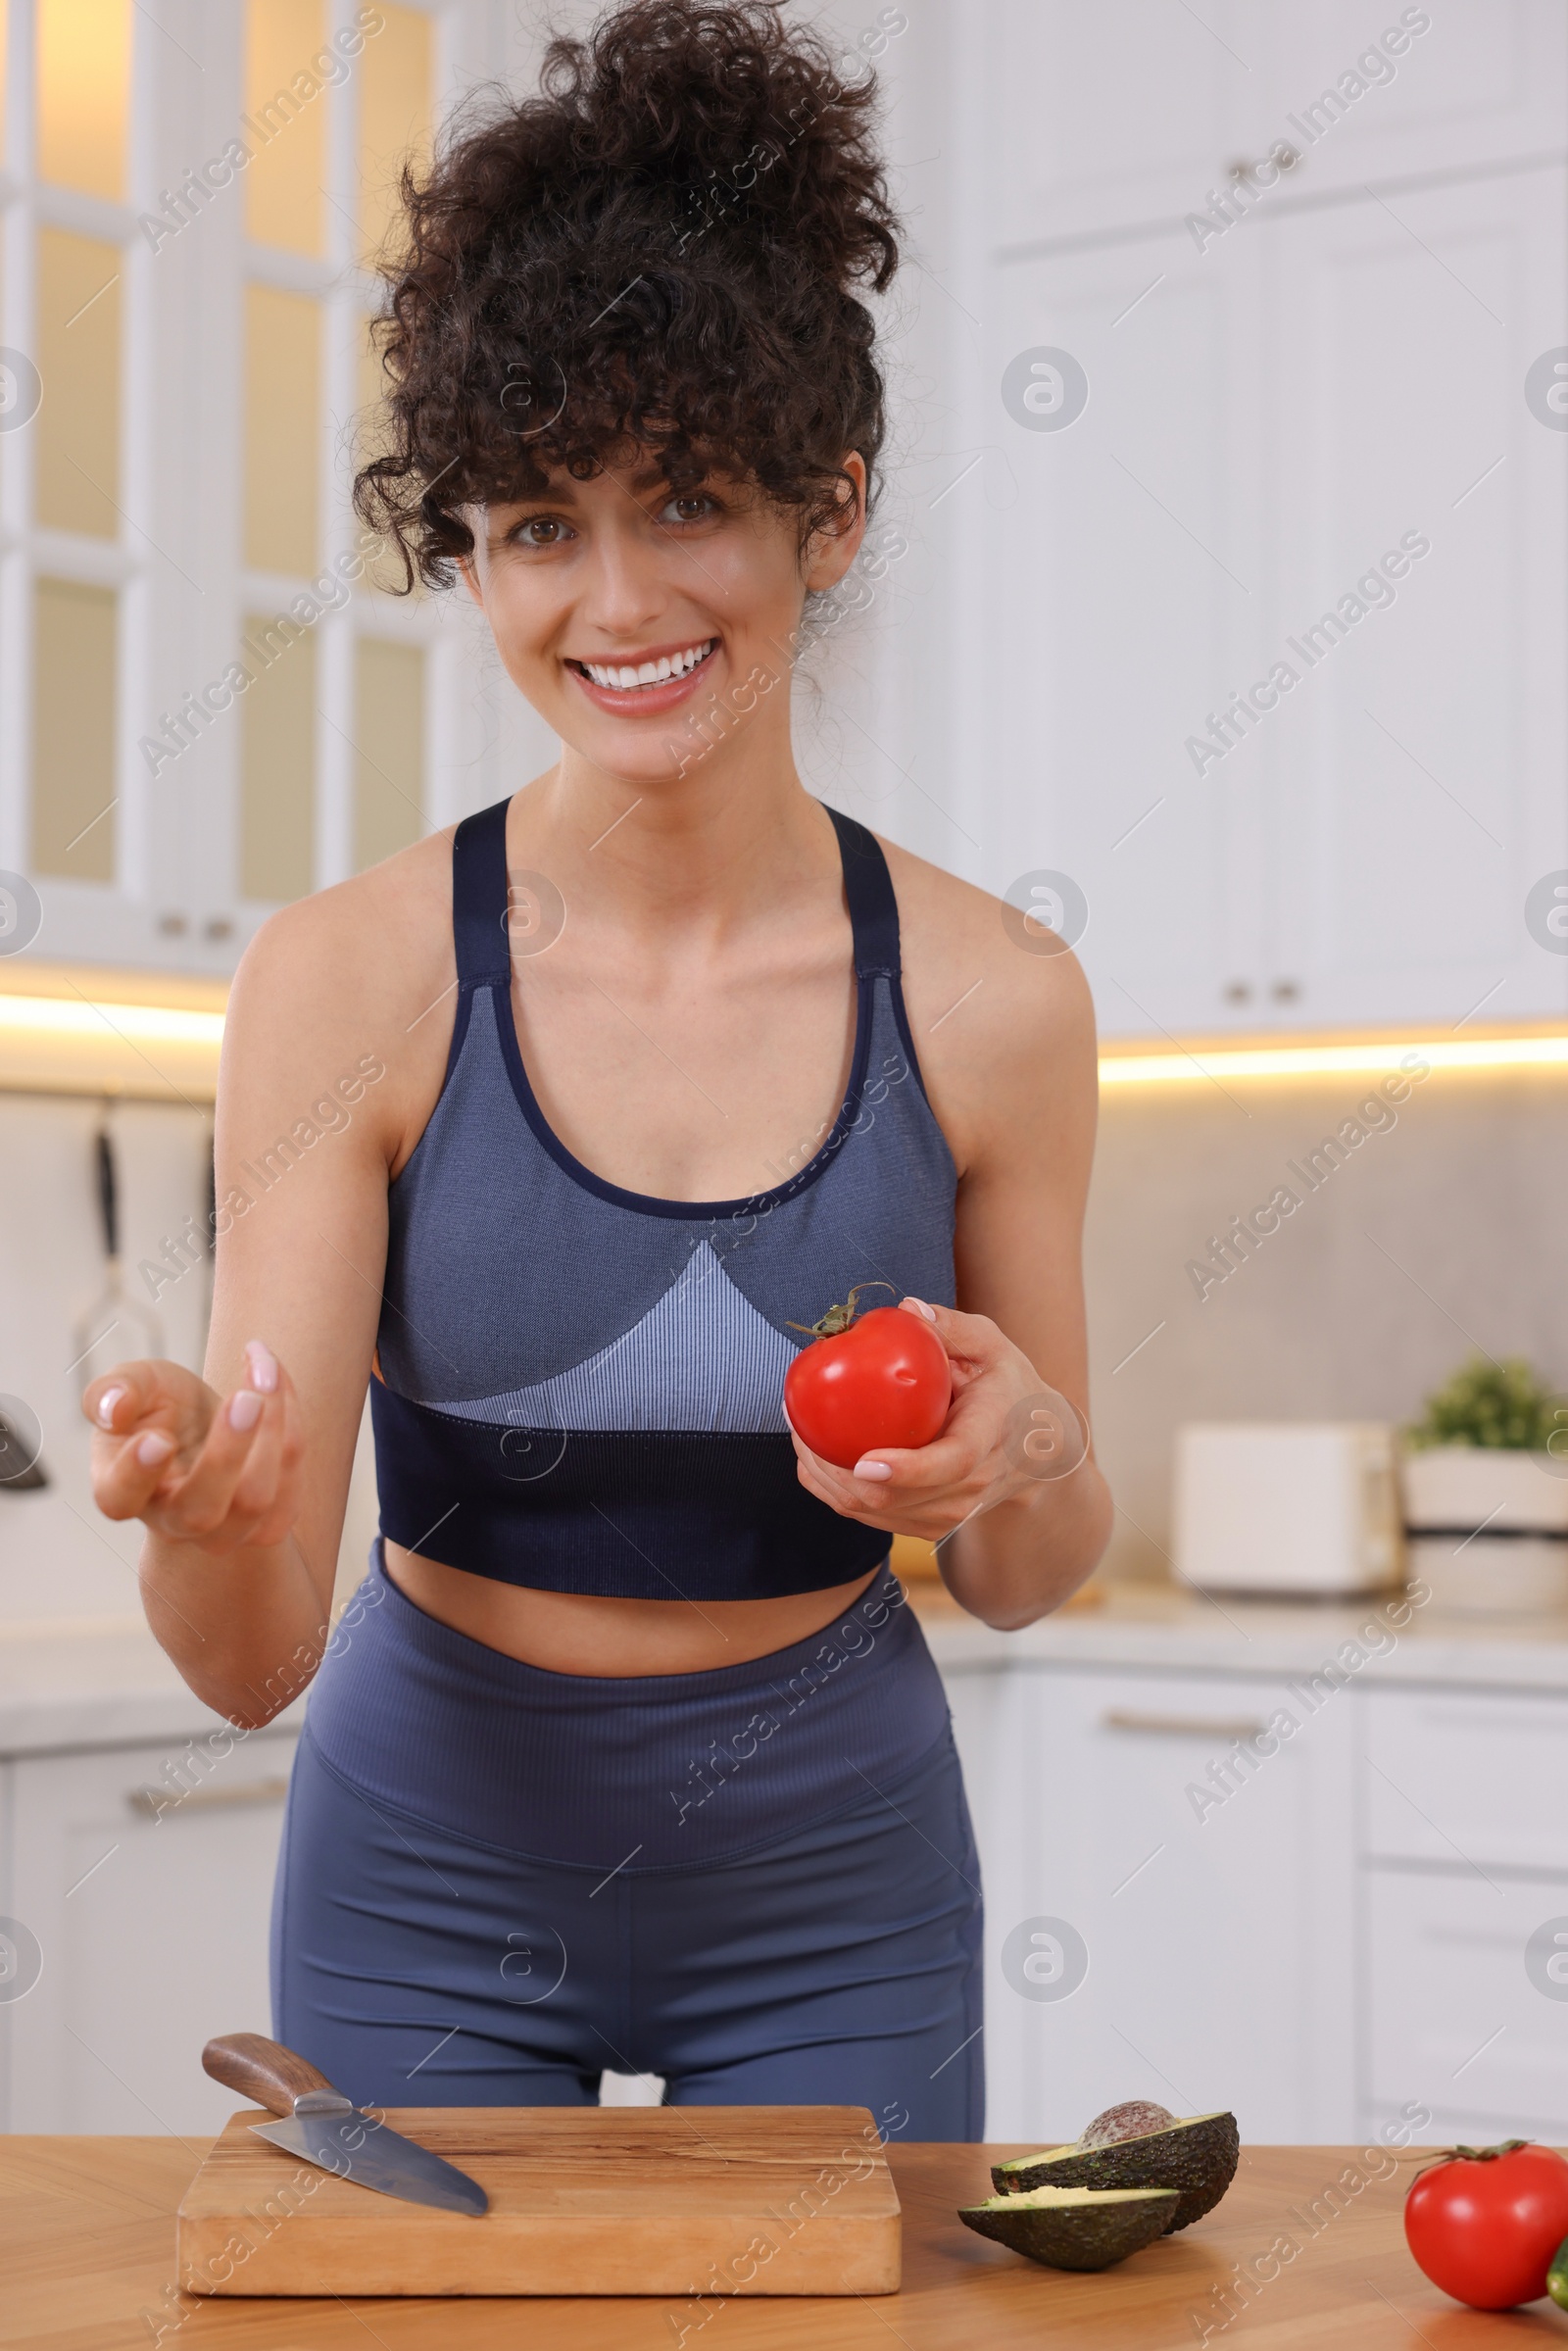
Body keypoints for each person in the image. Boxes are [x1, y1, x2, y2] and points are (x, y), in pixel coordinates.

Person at [85, 0, 1109, 2137]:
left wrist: (1016, 1450)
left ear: (827, 511)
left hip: (839, 1873)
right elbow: (258, 1649)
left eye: (688, 503)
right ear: (467, 550)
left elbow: (1024, 1574)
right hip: (419, 1862)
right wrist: (197, 1515)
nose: (615, 600)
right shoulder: (344, 981)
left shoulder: (992, 997)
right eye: (537, 524)